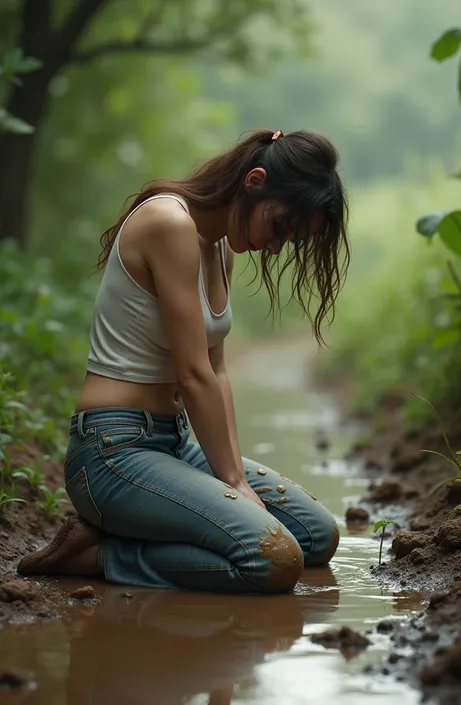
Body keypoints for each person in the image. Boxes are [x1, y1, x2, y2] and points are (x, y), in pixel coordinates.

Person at [18, 128, 349, 594]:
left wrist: (232, 474)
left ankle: (136, 533)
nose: (275, 248)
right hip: (113, 452)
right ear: (254, 181)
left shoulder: (219, 250)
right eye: (280, 227)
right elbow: (192, 375)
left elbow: (217, 371)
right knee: (273, 559)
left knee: (316, 535)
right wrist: (235, 483)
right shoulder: (169, 223)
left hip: (173, 444)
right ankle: (96, 555)